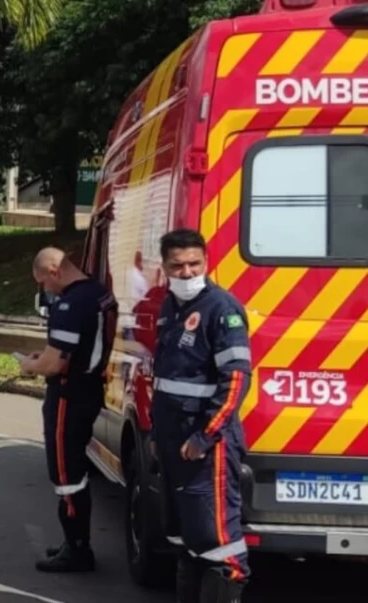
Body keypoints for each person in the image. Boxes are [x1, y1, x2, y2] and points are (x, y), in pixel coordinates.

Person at [150, 228, 251, 603]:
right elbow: (164, 379)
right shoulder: (170, 307)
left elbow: (236, 380)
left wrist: (204, 437)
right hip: (173, 441)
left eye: (195, 264)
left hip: (208, 446)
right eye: (178, 266)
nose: (188, 272)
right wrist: (158, 437)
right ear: (165, 268)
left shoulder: (221, 309)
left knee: (217, 538)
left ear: (206, 263)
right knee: (185, 535)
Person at [18, 247, 118, 573]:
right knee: (74, 470)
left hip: (68, 394)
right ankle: (74, 544)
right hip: (89, 388)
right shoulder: (99, 294)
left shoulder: (70, 304)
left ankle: (77, 550)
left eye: (43, 282)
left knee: (65, 475)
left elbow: (55, 361)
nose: (44, 289)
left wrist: (30, 366)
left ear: (54, 271)